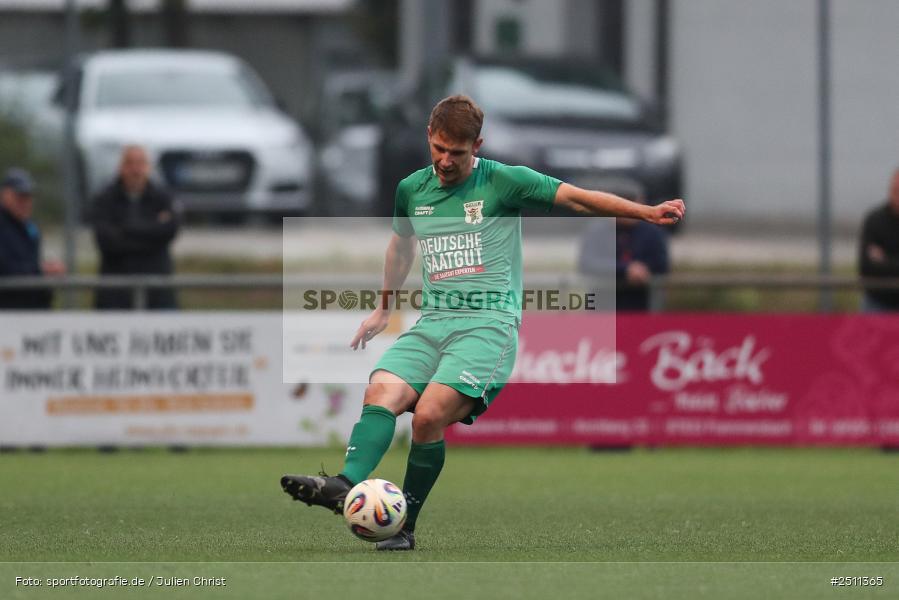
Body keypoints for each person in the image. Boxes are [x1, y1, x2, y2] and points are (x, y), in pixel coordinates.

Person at [280, 95, 685, 550]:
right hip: (434, 323)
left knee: (428, 416)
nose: (446, 160)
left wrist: (646, 213)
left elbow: (577, 199)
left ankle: (405, 525)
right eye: (438, 148)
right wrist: (384, 307)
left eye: (458, 151)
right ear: (429, 139)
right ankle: (342, 485)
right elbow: (401, 246)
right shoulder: (412, 189)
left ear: (478, 145)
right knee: (380, 392)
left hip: (487, 327)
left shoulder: (505, 181)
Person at [92, 145, 179, 310]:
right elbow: (106, 240)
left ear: (148, 167)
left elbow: (169, 231)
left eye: (140, 163)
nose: (135, 169)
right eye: (130, 163)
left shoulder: (163, 197)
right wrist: (152, 233)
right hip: (114, 298)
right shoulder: (105, 199)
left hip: (158, 296)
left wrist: (126, 228)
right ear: (121, 167)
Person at [578, 186, 670, 311]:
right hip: (603, 305)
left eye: (632, 204)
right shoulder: (598, 231)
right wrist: (625, 269)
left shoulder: (653, 231)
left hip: (642, 305)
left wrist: (642, 271)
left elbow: (662, 264)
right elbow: (587, 263)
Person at [0, 168, 65, 309]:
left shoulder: (29, 228)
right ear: (4, 195)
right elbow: (6, 268)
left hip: (30, 312)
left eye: (28, 197)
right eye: (20, 197)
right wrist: (41, 271)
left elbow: (29, 264)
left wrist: (45, 275)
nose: (25, 202)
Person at [859, 168, 899, 312]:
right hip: (877, 303)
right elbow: (866, 267)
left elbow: (877, 265)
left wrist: (885, 261)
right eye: (895, 189)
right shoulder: (874, 220)